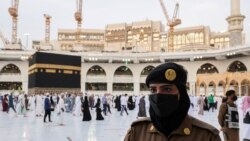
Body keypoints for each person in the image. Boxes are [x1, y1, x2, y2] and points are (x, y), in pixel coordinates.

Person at [124, 62, 221, 141]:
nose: (158, 95)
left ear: (181, 94)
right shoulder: (136, 132)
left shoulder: (206, 136)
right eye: (153, 90)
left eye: (167, 89)